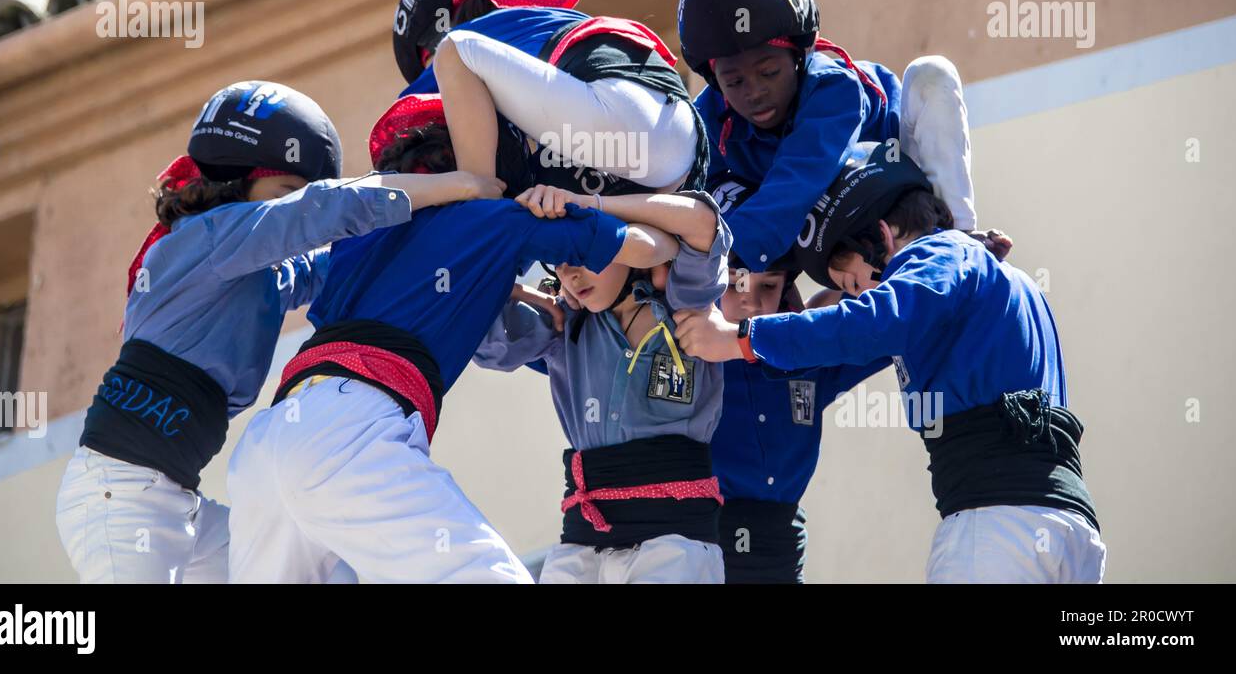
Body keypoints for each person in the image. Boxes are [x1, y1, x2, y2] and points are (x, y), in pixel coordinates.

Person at [54, 81, 498, 583]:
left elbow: (339, 263)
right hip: (117, 498)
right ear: (241, 182)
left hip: (177, 504)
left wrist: (465, 245)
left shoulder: (256, 276)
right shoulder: (202, 242)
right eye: (288, 191)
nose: (295, 205)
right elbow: (320, 214)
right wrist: (462, 184)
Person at [227, 94, 678, 583]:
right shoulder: (497, 219)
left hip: (267, 441)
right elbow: (647, 244)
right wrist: (580, 203)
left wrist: (507, 288)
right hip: (350, 431)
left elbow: (418, 277)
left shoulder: (361, 230)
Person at [673, 143, 1106, 584]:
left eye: (854, 283)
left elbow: (868, 326)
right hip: (1068, 525)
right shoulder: (987, 273)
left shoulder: (939, 257)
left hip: (999, 530)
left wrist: (744, 339)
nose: (859, 297)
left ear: (880, 237)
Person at [677, 0, 1007, 275]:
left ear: (799, 54)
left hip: (904, 186)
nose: (754, 92)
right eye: (734, 82)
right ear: (715, 81)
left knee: (931, 73)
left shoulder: (835, 89)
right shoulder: (705, 121)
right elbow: (688, 196)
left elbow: (796, 183)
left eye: (769, 73)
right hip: (827, 237)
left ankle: (960, 236)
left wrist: (710, 256)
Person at [474, 183, 731, 583]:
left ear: (629, 248)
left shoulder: (683, 303)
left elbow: (702, 223)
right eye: (558, 263)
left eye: (583, 254)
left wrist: (588, 206)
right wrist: (503, 279)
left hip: (673, 543)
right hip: (580, 546)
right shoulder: (561, 324)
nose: (570, 274)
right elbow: (482, 343)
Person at [391, 0, 708, 195]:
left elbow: (402, 120)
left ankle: (479, 208)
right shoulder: (541, 32)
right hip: (680, 156)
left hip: (629, 130)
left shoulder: (471, 42)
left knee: (454, 51)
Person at [706, 177, 890, 584]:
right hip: (705, 551)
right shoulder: (692, 358)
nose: (750, 300)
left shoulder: (808, 358)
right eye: (735, 284)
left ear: (787, 291)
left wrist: (953, 252)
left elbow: (890, 328)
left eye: (767, 285)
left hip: (786, 553)